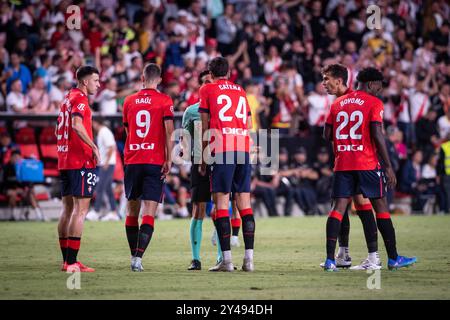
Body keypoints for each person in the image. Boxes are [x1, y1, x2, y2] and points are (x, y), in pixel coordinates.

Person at [323, 67, 417, 271]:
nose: (380, 90)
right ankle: (393, 258)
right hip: (366, 163)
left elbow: (327, 134)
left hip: (343, 163)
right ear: (371, 83)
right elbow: (376, 132)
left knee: (338, 208)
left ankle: (330, 260)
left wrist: (345, 142)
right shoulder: (374, 102)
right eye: (380, 85)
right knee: (381, 207)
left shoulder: (337, 103)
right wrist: (388, 166)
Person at [321, 63, 380, 270]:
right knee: (351, 207)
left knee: (346, 206)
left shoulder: (341, 103)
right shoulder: (359, 100)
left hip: (349, 161)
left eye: (326, 79)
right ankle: (351, 254)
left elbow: (327, 135)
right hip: (358, 160)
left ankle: (348, 255)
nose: (323, 83)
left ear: (339, 80)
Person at [199, 56, 254, 272]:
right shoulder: (240, 91)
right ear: (229, 73)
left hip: (222, 149)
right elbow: (249, 123)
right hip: (242, 147)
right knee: (245, 205)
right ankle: (249, 260)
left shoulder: (208, 90)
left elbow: (205, 128)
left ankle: (227, 261)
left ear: (211, 74)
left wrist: (204, 158)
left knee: (221, 204)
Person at [122, 63, 174, 272]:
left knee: (132, 210)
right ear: (159, 79)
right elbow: (169, 132)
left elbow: (128, 130)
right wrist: (169, 159)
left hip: (133, 159)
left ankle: (133, 254)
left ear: (142, 78)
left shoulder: (129, 101)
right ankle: (138, 258)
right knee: (149, 212)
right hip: (154, 161)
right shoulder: (164, 101)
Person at [56, 66, 101, 273]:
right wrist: (93, 146)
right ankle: (72, 262)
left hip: (64, 159)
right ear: (85, 82)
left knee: (67, 209)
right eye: (95, 80)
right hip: (80, 160)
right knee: (80, 210)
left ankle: (67, 260)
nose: (98, 84)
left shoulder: (67, 98)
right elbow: (76, 124)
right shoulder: (81, 100)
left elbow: (62, 126)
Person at [181, 69, 213, 270]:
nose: (208, 85)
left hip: (221, 162)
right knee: (198, 209)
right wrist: (185, 152)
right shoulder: (191, 111)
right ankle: (196, 259)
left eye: (211, 81)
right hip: (199, 164)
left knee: (221, 210)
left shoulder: (222, 109)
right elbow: (184, 138)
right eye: (205, 82)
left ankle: (222, 257)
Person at [87, 118, 118, 221]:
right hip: (105, 163)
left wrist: (106, 162)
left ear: (96, 123)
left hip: (107, 164)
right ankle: (114, 212)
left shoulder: (105, 132)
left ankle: (96, 211)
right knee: (108, 189)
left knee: (100, 187)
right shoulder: (101, 132)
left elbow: (112, 147)